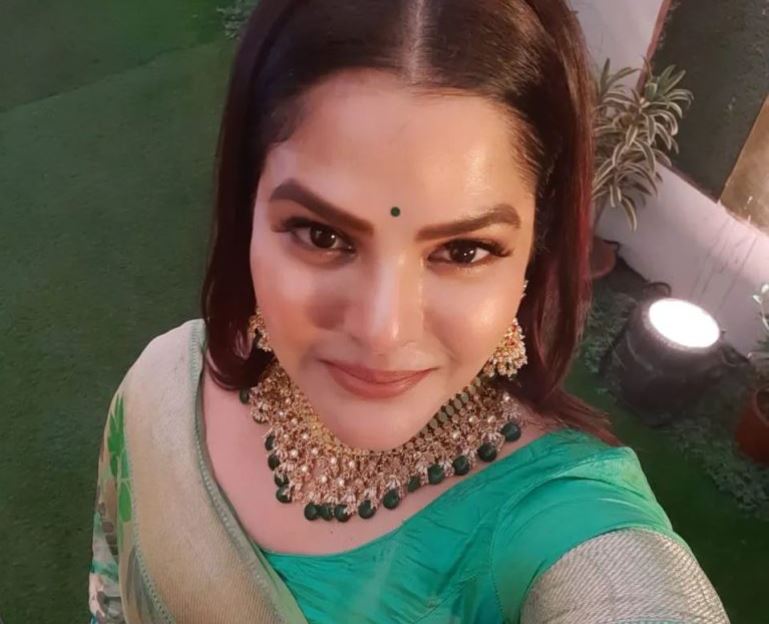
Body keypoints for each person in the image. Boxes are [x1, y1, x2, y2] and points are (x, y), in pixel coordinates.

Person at [87, 0, 730, 622]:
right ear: (246, 211)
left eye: (463, 250)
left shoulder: (563, 513)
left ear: (534, 253)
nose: (382, 330)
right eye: (321, 235)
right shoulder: (164, 387)